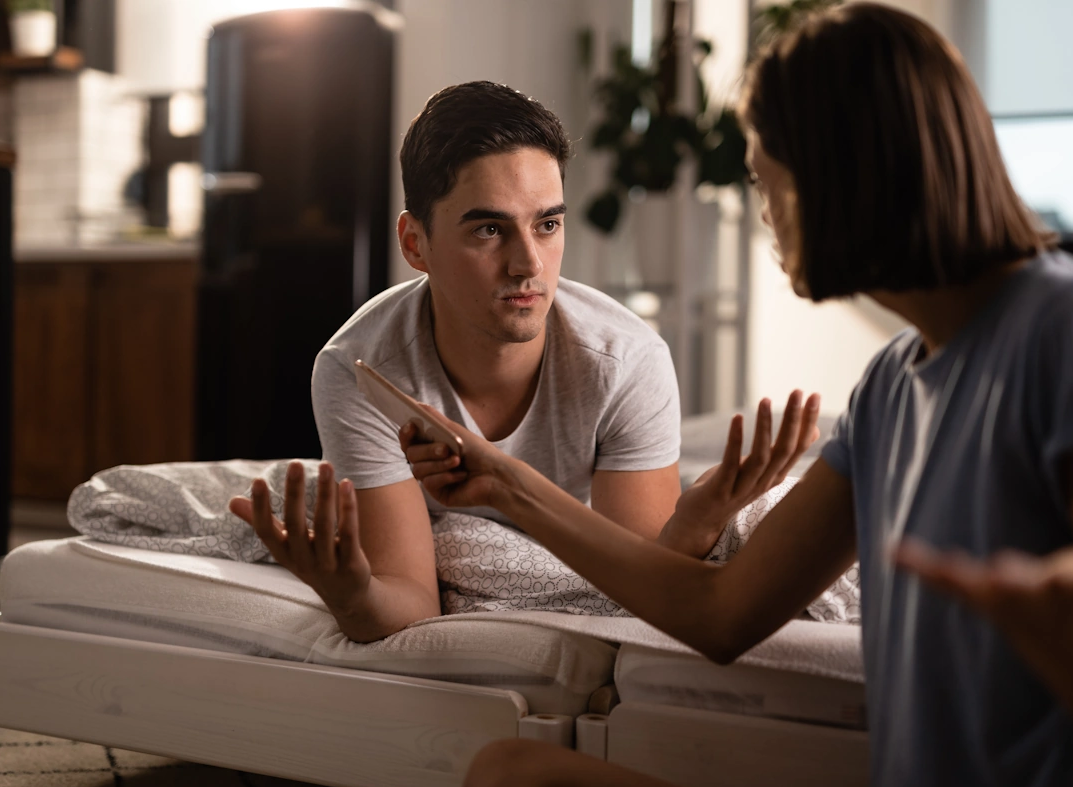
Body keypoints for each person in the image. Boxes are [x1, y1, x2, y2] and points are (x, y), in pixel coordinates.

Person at [398, 4, 1073, 787]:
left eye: (767, 179)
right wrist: (504, 484)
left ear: (843, 173)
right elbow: (722, 612)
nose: (763, 211)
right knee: (513, 775)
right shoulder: (893, 385)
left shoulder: (1062, 333)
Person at [228, 79, 823, 643]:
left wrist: (695, 526)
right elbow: (410, 601)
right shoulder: (358, 369)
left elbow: (646, 593)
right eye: (489, 229)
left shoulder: (625, 361)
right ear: (415, 245)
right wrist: (353, 591)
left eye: (547, 225)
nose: (528, 264)